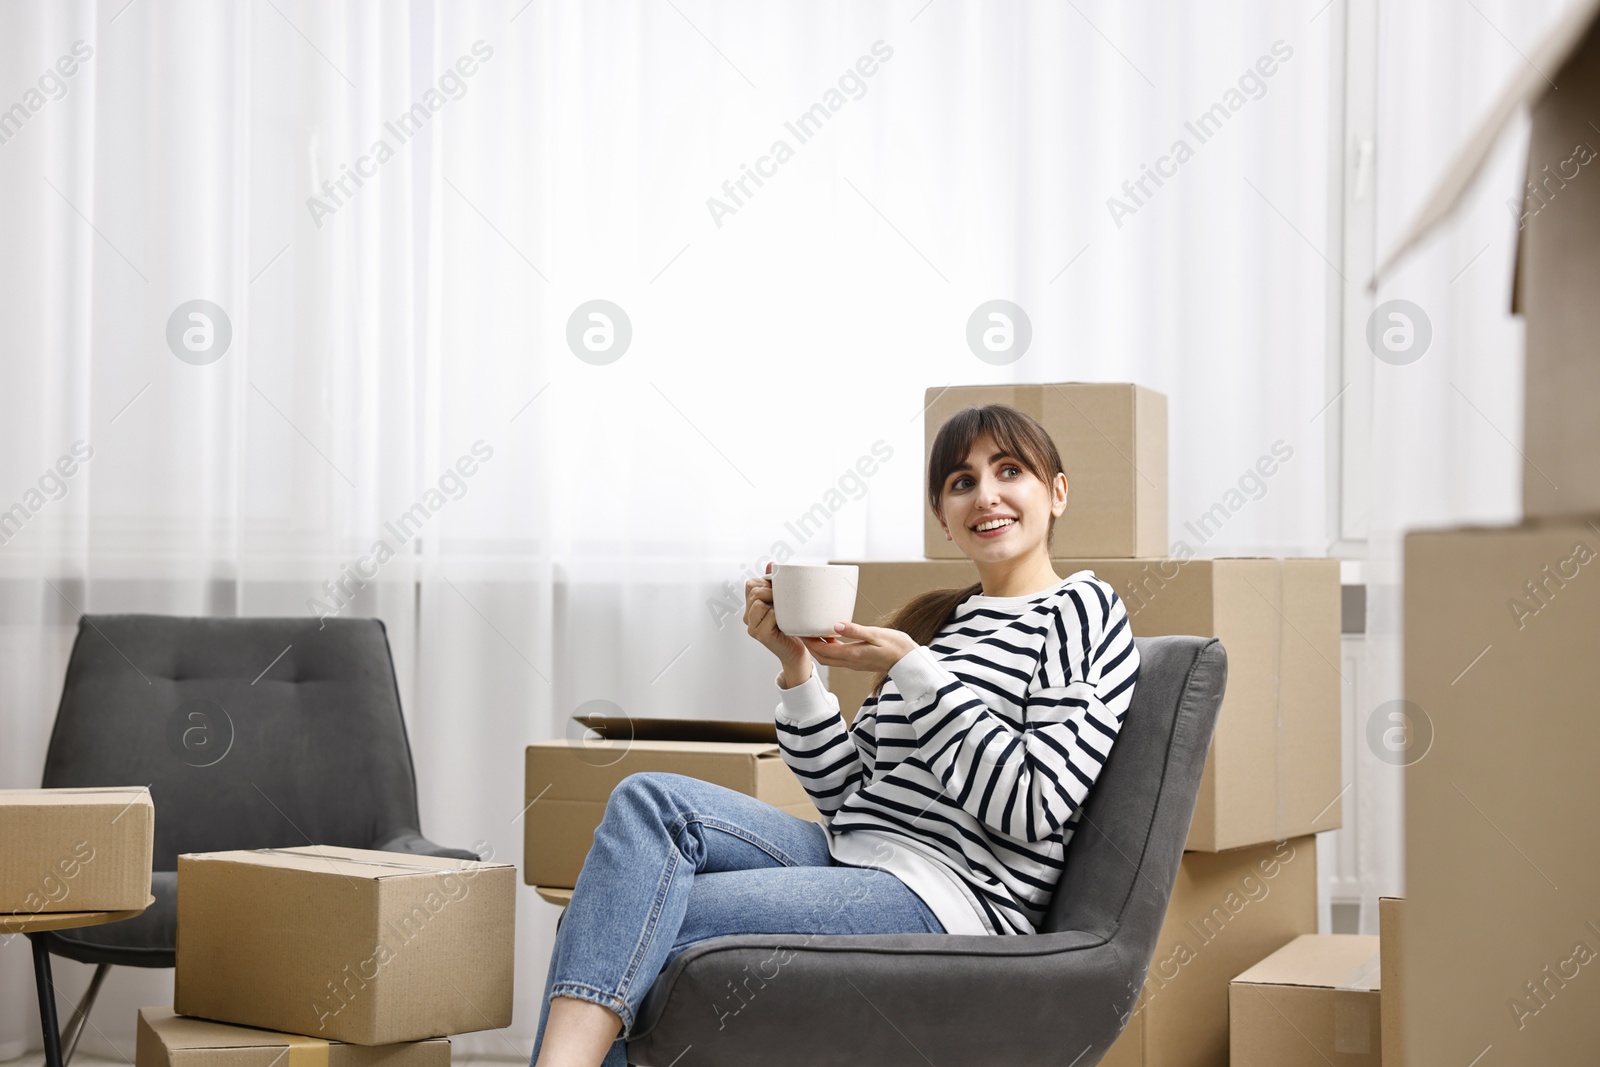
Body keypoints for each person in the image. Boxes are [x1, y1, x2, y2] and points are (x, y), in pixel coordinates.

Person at [528, 403, 1141, 1067]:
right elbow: (848, 799)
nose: (985, 494)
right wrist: (798, 669)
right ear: (943, 515)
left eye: (1010, 470)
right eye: (962, 481)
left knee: (628, 924)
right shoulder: (940, 622)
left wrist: (913, 669)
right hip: (854, 855)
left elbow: (1033, 806)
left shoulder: (1080, 610)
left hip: (950, 895)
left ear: (1056, 491)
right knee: (647, 803)